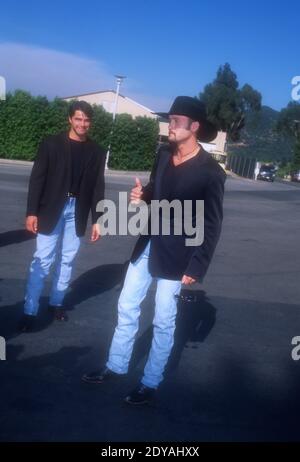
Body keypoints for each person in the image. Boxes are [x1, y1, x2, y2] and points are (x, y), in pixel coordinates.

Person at [82, 96, 226, 405]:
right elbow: (153, 189)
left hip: (179, 255)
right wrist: (142, 194)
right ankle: (116, 364)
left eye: (176, 121)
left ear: (195, 127)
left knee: (163, 318)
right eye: (169, 119)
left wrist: (197, 266)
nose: (169, 126)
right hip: (147, 243)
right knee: (127, 305)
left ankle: (150, 381)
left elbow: (211, 224)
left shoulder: (211, 172)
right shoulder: (162, 155)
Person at [19, 100, 106, 332]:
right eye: (78, 118)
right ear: (70, 119)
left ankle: (56, 302)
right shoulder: (51, 144)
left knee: (67, 260)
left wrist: (99, 219)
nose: (82, 124)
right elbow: (37, 179)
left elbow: (98, 187)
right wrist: (31, 212)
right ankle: (30, 310)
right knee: (43, 260)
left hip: (76, 211)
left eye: (87, 120)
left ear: (91, 122)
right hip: (50, 209)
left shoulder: (97, 152)